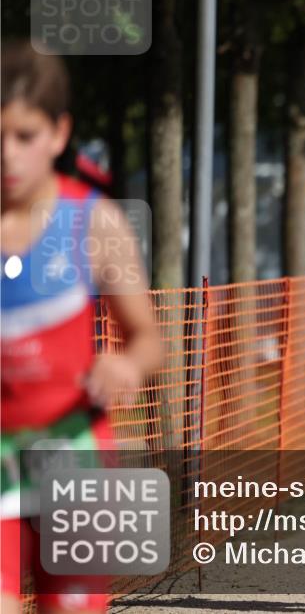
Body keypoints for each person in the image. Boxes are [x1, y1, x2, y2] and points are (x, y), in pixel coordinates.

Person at [1, 41, 162, 614]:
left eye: (24, 137)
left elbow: (148, 338)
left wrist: (124, 363)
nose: (8, 156)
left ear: (59, 134)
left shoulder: (95, 222)